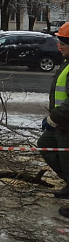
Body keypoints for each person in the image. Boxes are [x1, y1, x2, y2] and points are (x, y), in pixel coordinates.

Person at [38, 22, 69, 218]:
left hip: (65, 123)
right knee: (45, 145)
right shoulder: (67, 63)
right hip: (62, 123)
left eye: (63, 44)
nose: (59, 47)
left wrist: (53, 118)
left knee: (68, 162)